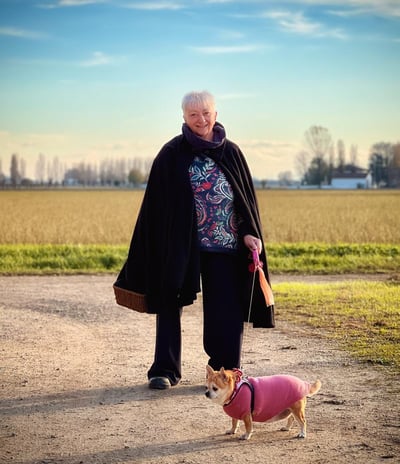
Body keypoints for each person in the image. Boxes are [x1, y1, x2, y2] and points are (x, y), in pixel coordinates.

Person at [114, 90, 274, 390]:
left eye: (206, 113)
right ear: (184, 117)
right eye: (193, 115)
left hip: (225, 243)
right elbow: (156, 205)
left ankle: (224, 372)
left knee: (227, 308)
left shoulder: (232, 152)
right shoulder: (171, 153)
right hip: (180, 246)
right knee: (169, 301)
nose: (201, 119)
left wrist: (250, 231)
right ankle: (165, 369)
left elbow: (245, 200)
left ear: (216, 113)